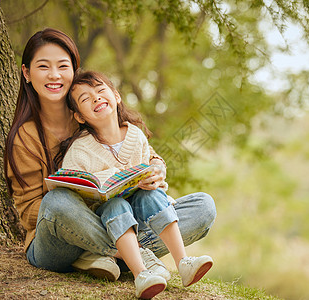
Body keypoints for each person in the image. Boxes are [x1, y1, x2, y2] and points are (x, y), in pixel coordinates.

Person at [4, 27, 216, 295]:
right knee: (57, 202)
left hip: (120, 219)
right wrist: (87, 206)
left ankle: (116, 256)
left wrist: (157, 169)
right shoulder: (26, 136)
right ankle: (133, 256)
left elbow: (141, 153)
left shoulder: (93, 113)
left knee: (203, 207)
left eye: (63, 66)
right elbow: (30, 212)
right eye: (43, 67)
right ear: (27, 73)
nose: (54, 75)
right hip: (60, 239)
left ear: (74, 70)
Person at [59, 69, 213, 298]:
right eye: (86, 99)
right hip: (105, 219)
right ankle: (141, 272)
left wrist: (153, 178)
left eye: (101, 91)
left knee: (172, 199)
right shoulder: (80, 148)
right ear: (80, 116)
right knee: (116, 205)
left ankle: (183, 262)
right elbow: (72, 193)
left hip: (140, 217)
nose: (96, 98)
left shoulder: (135, 135)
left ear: (116, 95)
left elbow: (148, 170)